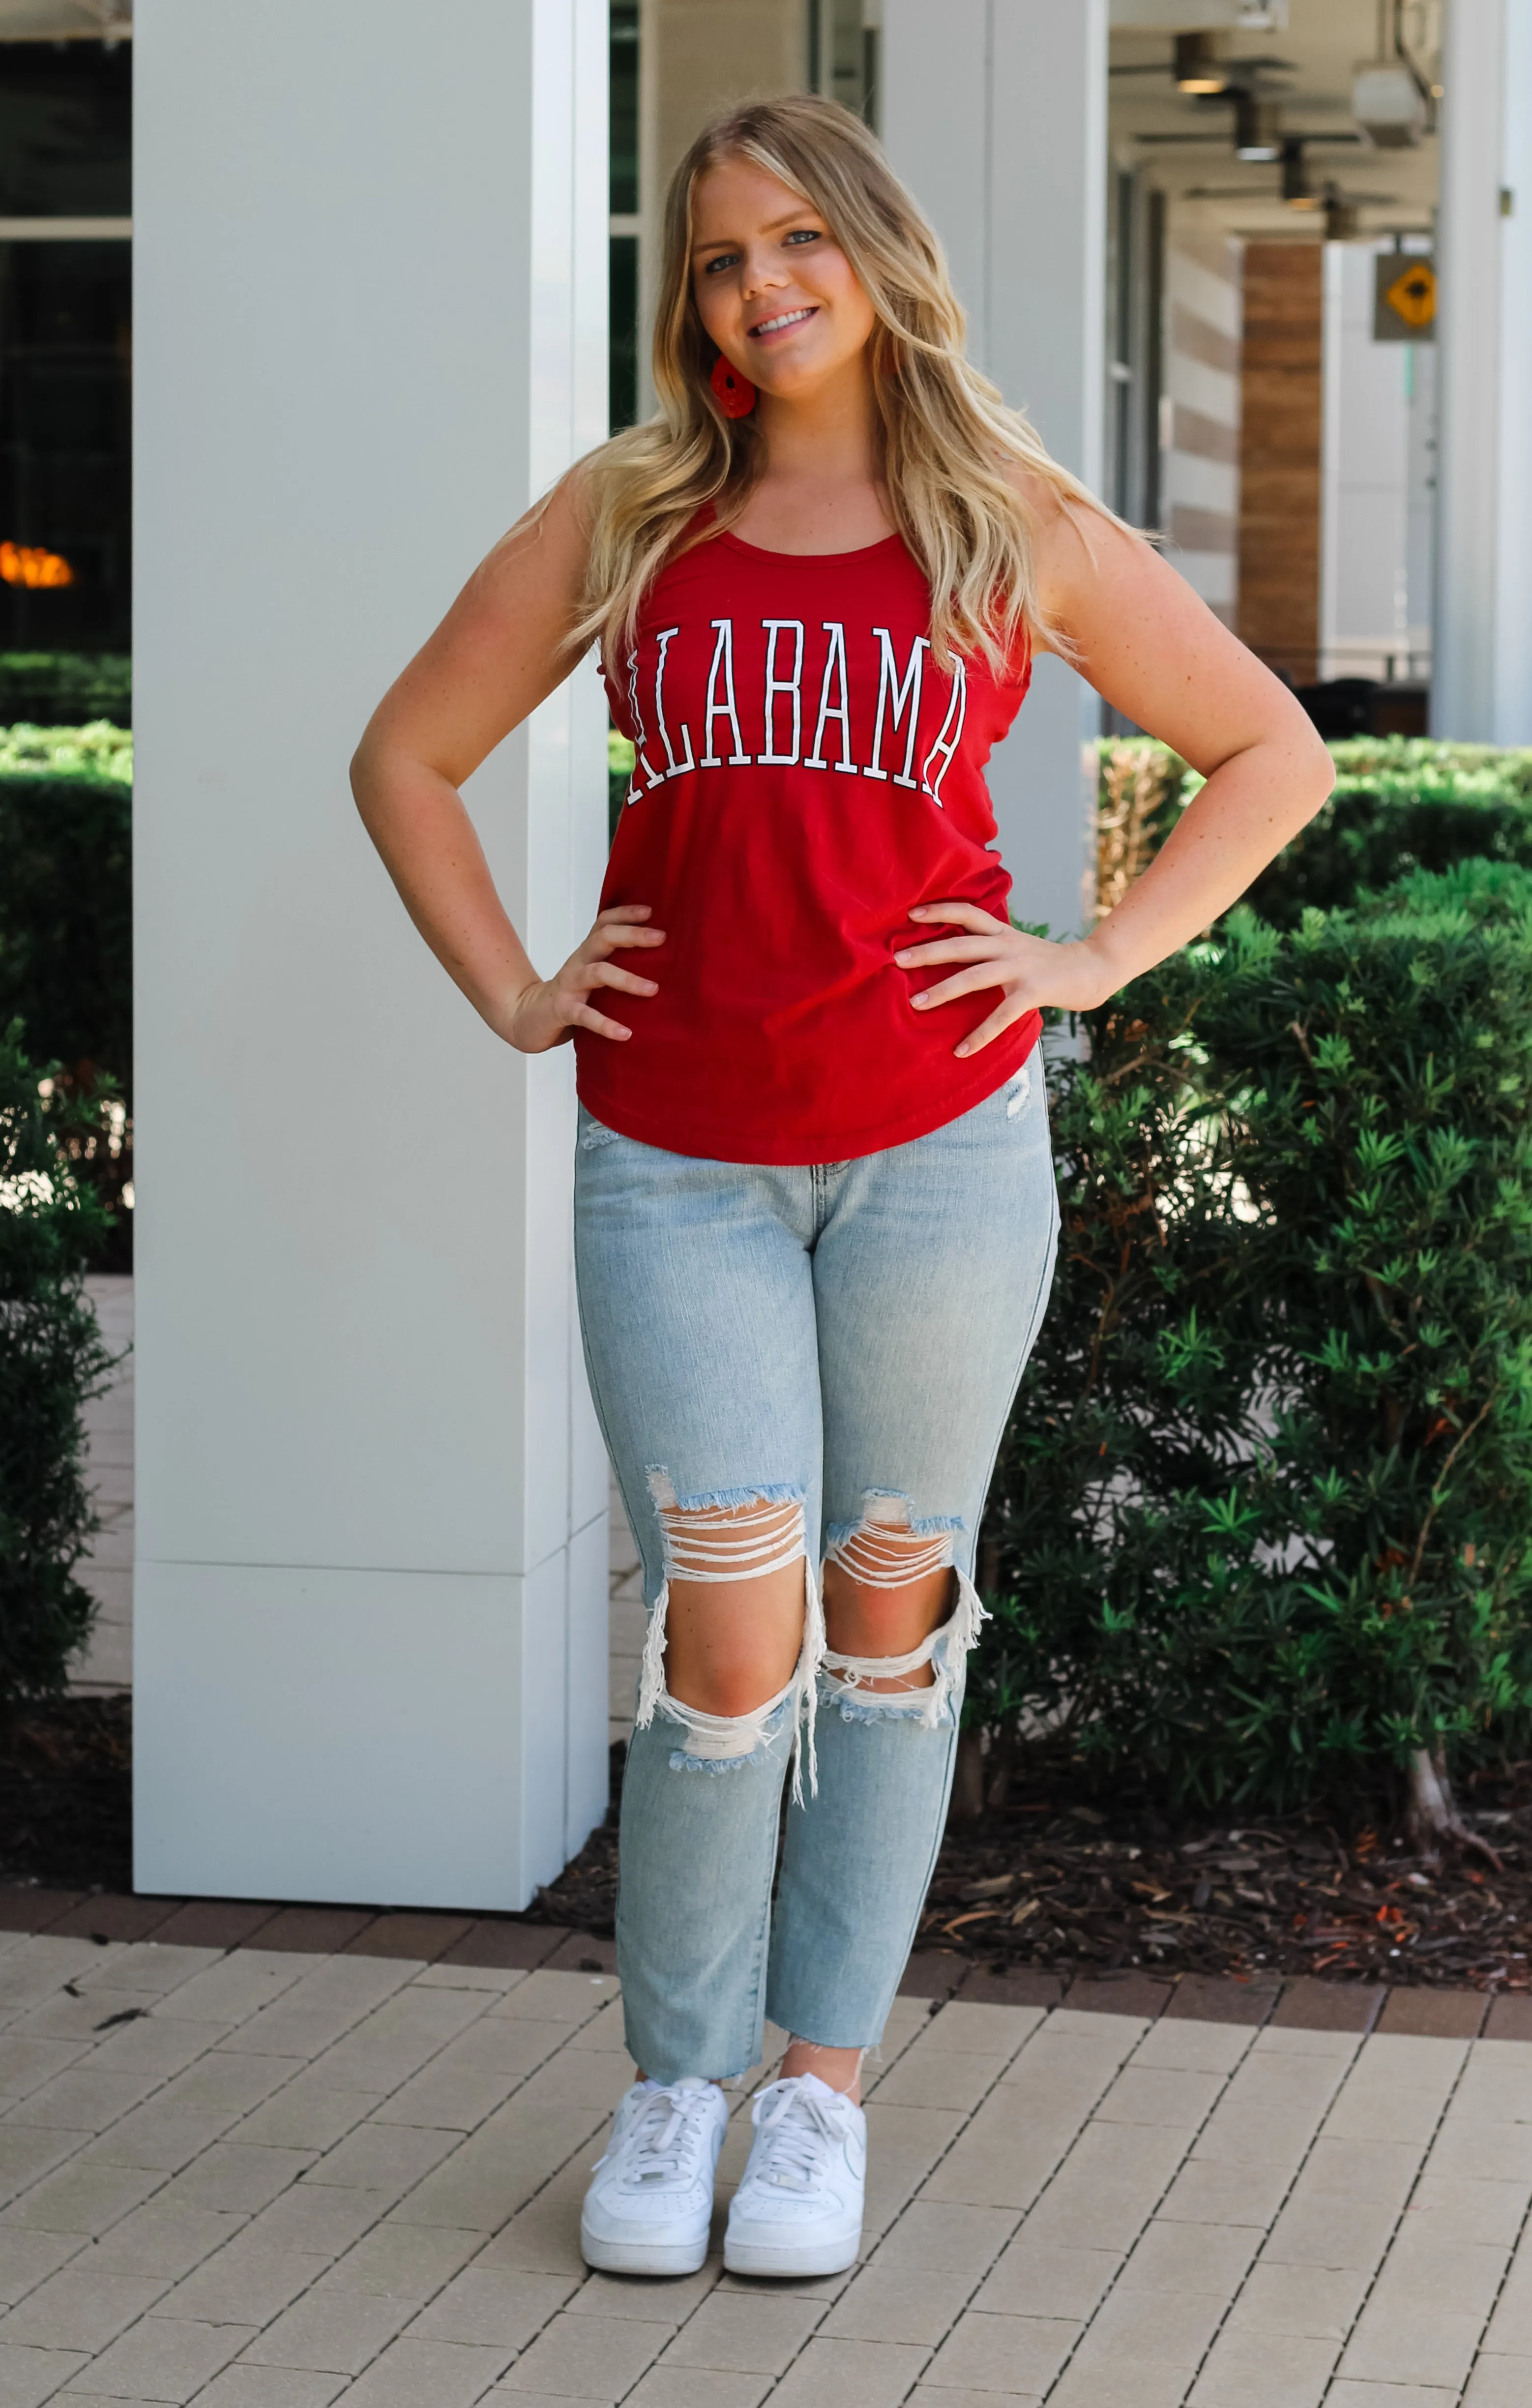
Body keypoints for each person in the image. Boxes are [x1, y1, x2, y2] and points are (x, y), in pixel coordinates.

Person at [351, 94, 1332, 2282]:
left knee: (888, 1613)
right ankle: (674, 2078)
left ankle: (817, 2088)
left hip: (941, 1157)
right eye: (713, 258)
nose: (757, 285)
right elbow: (400, 754)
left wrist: (1086, 957)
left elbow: (1270, 746)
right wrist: (517, 987)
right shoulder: (631, 511)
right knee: (728, 1627)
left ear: (875, 256)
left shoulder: (1003, 516)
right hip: (676, 1157)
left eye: (794, 240)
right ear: (684, 299)